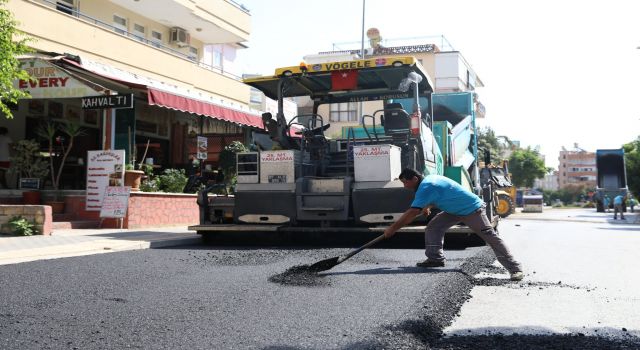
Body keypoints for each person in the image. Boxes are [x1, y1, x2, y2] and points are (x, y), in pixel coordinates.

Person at [383, 168, 524, 281]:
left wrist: (393, 228)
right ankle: (435, 259)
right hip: (454, 210)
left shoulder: (426, 186)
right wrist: (427, 207)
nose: (405, 186)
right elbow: (438, 194)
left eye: (405, 182)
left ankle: (515, 268)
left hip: (472, 209)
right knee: (434, 227)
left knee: (490, 237)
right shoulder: (430, 179)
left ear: (414, 179)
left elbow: (412, 212)